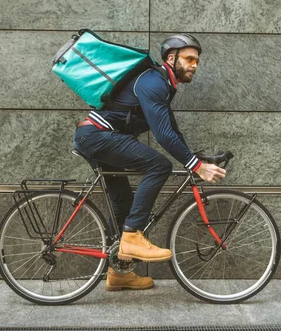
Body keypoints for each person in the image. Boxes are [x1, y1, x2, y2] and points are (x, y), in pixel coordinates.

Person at [73, 34, 226, 291]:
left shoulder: (164, 85)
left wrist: (195, 159)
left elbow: (172, 131)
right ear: (171, 58)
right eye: (189, 58)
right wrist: (196, 167)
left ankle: (119, 273)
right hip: (97, 136)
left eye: (197, 60)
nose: (194, 65)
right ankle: (132, 236)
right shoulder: (153, 81)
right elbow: (163, 135)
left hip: (98, 138)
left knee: (123, 204)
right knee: (159, 166)